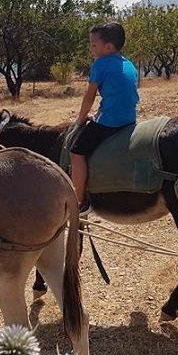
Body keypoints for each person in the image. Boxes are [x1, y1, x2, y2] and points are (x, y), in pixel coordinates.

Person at [70, 22, 140, 215]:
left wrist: (81, 119)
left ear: (108, 47)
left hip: (110, 121)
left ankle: (80, 201)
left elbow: (90, 96)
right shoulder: (129, 65)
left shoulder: (100, 64)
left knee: (77, 152)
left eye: (93, 45)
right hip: (130, 119)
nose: (91, 49)